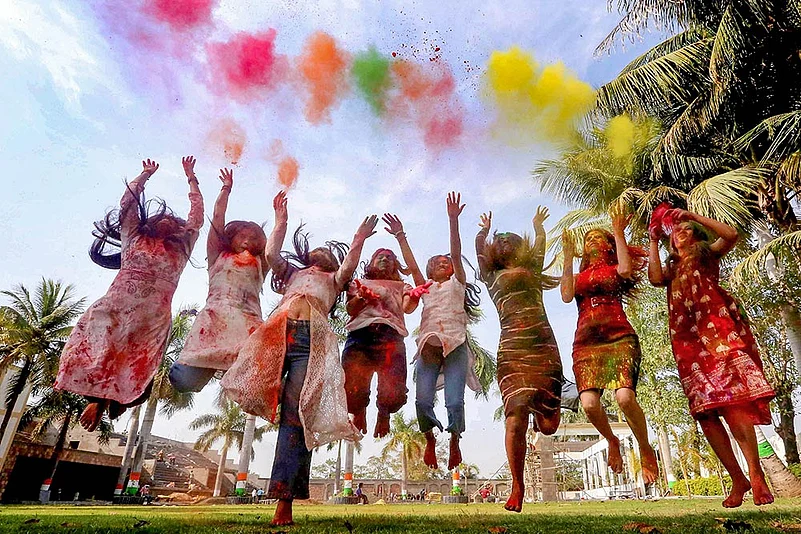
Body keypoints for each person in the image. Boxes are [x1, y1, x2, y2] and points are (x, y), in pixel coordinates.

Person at [221, 191, 374, 526]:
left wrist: (359, 239)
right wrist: (281, 220)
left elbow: (349, 265)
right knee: (250, 382)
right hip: (277, 333)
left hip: (310, 342)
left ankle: (284, 501)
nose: (323, 251)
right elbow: (271, 253)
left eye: (329, 252)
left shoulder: (334, 280)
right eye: (318, 250)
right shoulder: (292, 273)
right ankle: (265, 400)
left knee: (296, 415)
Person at [55, 157, 203, 431]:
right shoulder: (133, 237)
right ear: (151, 223)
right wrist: (144, 175)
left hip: (151, 317)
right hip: (115, 308)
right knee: (98, 354)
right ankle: (97, 400)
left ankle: (110, 403)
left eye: (173, 220)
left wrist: (191, 178)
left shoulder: (181, 248)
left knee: (137, 367)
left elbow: (196, 219)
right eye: (163, 217)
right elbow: (127, 204)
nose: (168, 220)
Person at [648, 204, 775, 508]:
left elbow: (730, 234)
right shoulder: (671, 267)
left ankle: (756, 473)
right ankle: (737, 478)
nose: (681, 232)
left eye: (687, 229)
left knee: (734, 403)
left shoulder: (706, 253)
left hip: (717, 331)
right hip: (686, 339)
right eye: (676, 230)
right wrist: (653, 240)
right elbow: (654, 278)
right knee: (705, 413)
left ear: (697, 235)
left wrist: (692, 216)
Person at [386, 192, 482, 471]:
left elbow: (455, 251)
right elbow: (413, 265)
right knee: (422, 399)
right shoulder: (425, 287)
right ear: (430, 271)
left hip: (456, 344)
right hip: (428, 346)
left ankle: (454, 439)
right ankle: (429, 438)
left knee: (455, 401)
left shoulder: (457, 283)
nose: (444, 262)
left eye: (446, 262)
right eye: (437, 262)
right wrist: (400, 236)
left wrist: (453, 220)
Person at [560, 213, 658, 484]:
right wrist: (567, 255)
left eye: (598, 238)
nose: (592, 241)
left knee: (624, 398)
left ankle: (645, 447)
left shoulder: (616, 269)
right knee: (589, 404)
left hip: (619, 337)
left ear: (608, 245)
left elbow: (626, 270)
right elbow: (566, 295)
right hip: (586, 344)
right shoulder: (578, 277)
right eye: (588, 239)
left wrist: (617, 231)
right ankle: (611, 440)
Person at [475, 207, 562, 513]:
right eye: (499, 240)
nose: (504, 242)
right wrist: (483, 231)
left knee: (549, 426)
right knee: (515, 416)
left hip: (543, 347)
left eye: (510, 239)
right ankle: (517, 485)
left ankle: (543, 413)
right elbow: (479, 249)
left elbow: (541, 244)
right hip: (512, 349)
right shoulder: (490, 276)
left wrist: (538, 227)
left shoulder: (533, 268)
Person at [170, 167, 268, 392]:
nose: (247, 241)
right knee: (183, 380)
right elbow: (217, 217)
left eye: (253, 238)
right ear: (231, 238)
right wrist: (226, 189)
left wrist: (281, 217)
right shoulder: (218, 256)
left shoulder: (260, 263)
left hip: (247, 325)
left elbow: (274, 246)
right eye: (242, 236)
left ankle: (230, 369)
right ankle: (211, 364)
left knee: (254, 383)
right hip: (214, 323)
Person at [342, 247, 427, 438]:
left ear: (395, 265)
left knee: (394, 390)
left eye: (389, 258)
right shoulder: (360, 283)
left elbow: (407, 308)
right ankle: (359, 411)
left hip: (390, 336)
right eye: (379, 256)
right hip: (361, 334)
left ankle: (384, 413)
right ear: (372, 262)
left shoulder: (401, 286)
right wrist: (361, 297)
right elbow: (350, 309)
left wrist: (414, 296)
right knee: (351, 387)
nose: (384, 259)